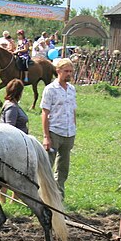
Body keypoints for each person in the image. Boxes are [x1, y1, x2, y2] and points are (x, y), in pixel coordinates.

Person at [41, 57, 77, 198]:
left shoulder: (72, 89)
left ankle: (59, 196)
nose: (69, 74)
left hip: (68, 132)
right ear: (58, 71)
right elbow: (45, 113)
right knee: (47, 166)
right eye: (66, 71)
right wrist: (46, 136)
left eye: (71, 71)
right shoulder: (50, 89)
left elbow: (73, 110)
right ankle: (43, 194)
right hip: (54, 131)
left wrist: (74, 127)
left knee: (63, 168)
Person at [0, 78, 29, 202]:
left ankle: (12, 199)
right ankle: (6, 200)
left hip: (16, 145)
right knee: (11, 174)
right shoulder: (12, 107)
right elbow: (10, 127)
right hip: (13, 147)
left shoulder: (10, 104)